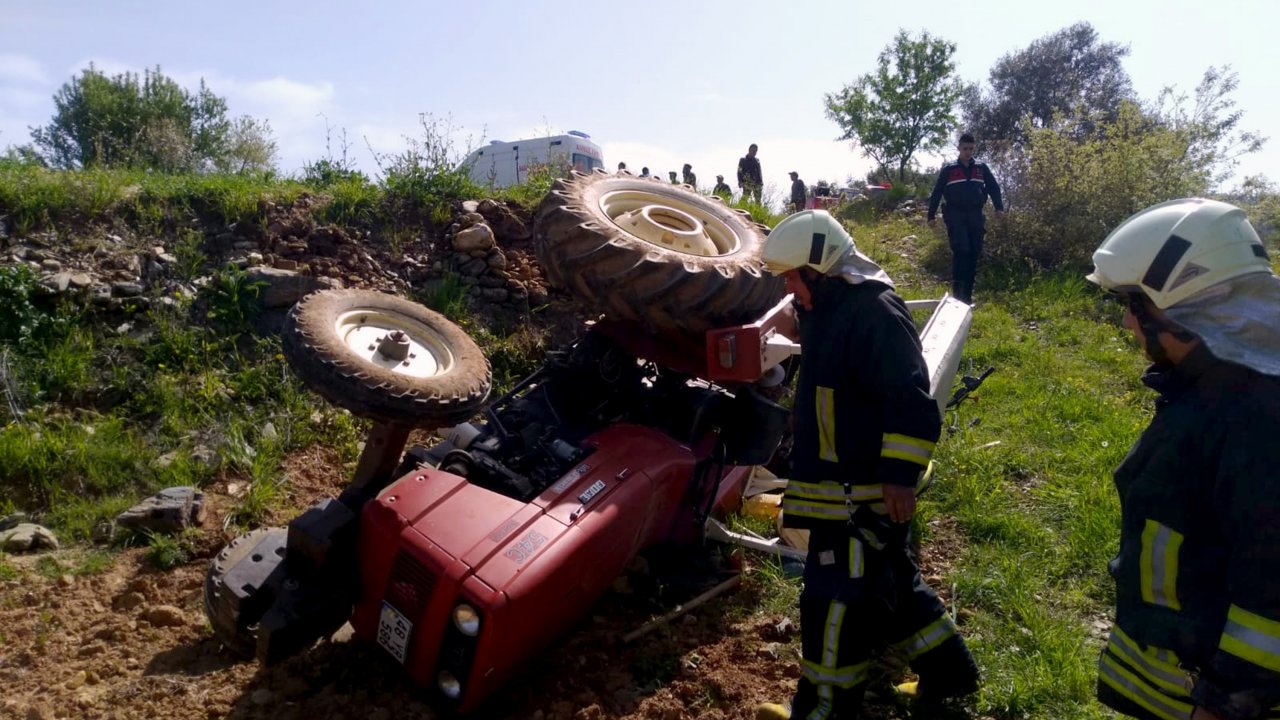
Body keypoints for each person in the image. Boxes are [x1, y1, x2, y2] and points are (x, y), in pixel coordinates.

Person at [755, 210, 980, 720]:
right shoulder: (831, 303)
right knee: (891, 582)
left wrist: (900, 476)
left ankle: (826, 709)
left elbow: (910, 399)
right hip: (839, 482)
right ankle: (951, 672)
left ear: (820, 269)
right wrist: (771, 322)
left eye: (793, 277)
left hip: (858, 491)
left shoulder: (876, 313)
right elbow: (800, 313)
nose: (789, 288)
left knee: (833, 602)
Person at [1086, 198, 1280, 720]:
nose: (1127, 323)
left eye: (1135, 305)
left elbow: (1271, 583)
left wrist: (1225, 702)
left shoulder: (1255, 416)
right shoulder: (1216, 384)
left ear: (1187, 311)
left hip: (1208, 690)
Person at [926, 132, 1003, 304]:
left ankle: (967, 298)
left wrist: (999, 207)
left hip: (975, 215)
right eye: (964, 148)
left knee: (974, 252)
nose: (968, 152)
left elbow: (993, 187)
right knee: (962, 251)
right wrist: (931, 215)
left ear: (973, 148)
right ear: (959, 148)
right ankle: (958, 297)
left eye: (970, 148)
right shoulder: (949, 169)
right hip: (955, 215)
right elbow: (937, 192)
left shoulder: (981, 168)